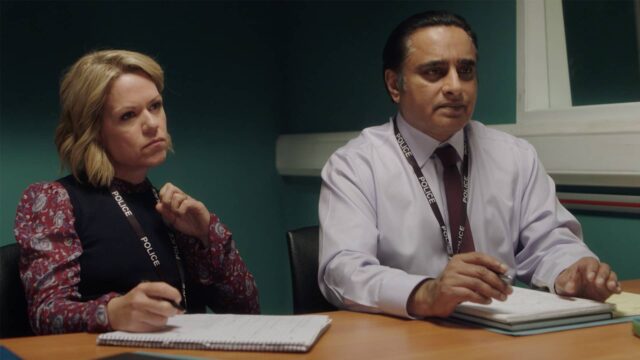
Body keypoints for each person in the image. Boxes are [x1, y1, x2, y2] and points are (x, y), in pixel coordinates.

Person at [318, 11, 621, 319]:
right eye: (435, 72)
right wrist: (426, 293)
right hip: (405, 338)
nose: (455, 87)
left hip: (502, 333)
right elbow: (342, 271)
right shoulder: (355, 165)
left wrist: (572, 270)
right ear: (395, 85)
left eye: (465, 70)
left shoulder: (515, 156)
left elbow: (549, 243)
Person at [14, 50, 259, 335]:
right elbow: (46, 314)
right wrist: (111, 313)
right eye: (128, 115)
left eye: (155, 106)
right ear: (94, 132)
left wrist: (207, 234)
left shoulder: (166, 204)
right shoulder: (53, 200)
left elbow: (248, 309)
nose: (152, 124)